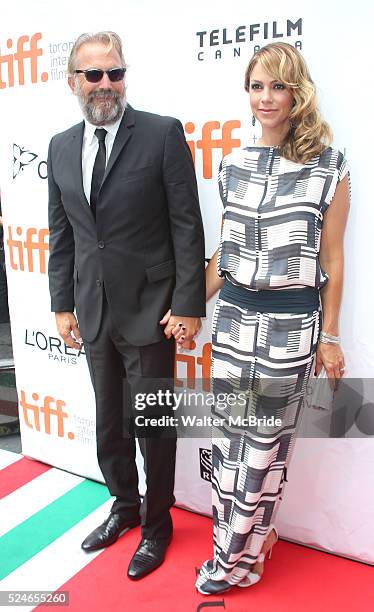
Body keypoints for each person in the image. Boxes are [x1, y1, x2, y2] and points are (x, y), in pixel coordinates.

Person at [192, 42, 350, 595]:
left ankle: (230, 563)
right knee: (231, 446)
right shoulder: (231, 166)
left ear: (296, 92)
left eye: (277, 86)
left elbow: (331, 258)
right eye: (257, 85)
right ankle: (248, 549)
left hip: (289, 333)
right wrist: (188, 306)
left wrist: (329, 335)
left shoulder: (329, 166)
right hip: (233, 325)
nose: (266, 97)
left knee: (264, 452)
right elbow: (226, 255)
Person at [47, 31, 205, 580]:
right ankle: (123, 508)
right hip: (93, 311)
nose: (106, 84)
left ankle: (158, 527)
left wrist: (188, 304)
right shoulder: (61, 146)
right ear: (74, 82)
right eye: (94, 75)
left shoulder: (161, 134)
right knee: (110, 424)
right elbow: (61, 233)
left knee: (154, 425)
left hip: (153, 312)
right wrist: (61, 304)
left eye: (115, 72)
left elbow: (187, 225)